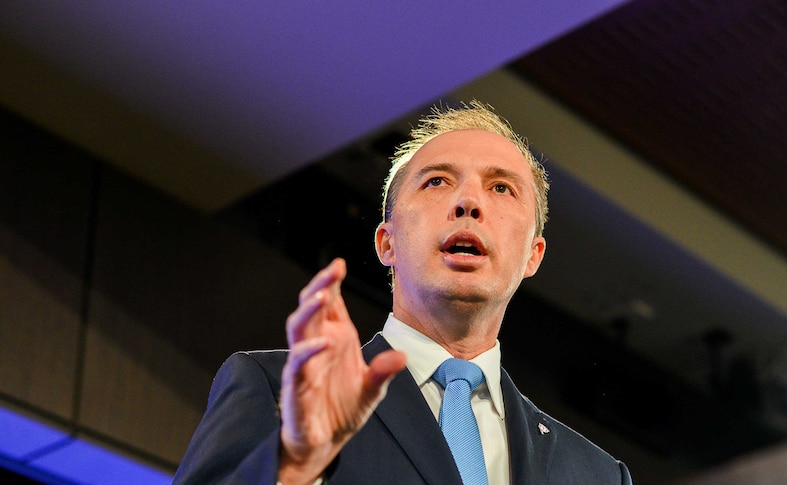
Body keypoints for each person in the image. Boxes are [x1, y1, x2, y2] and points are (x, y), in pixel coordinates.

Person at [174, 101, 632, 484]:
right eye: (437, 181)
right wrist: (294, 466)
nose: (468, 202)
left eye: (501, 188)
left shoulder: (596, 474)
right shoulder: (270, 388)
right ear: (386, 242)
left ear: (533, 256)